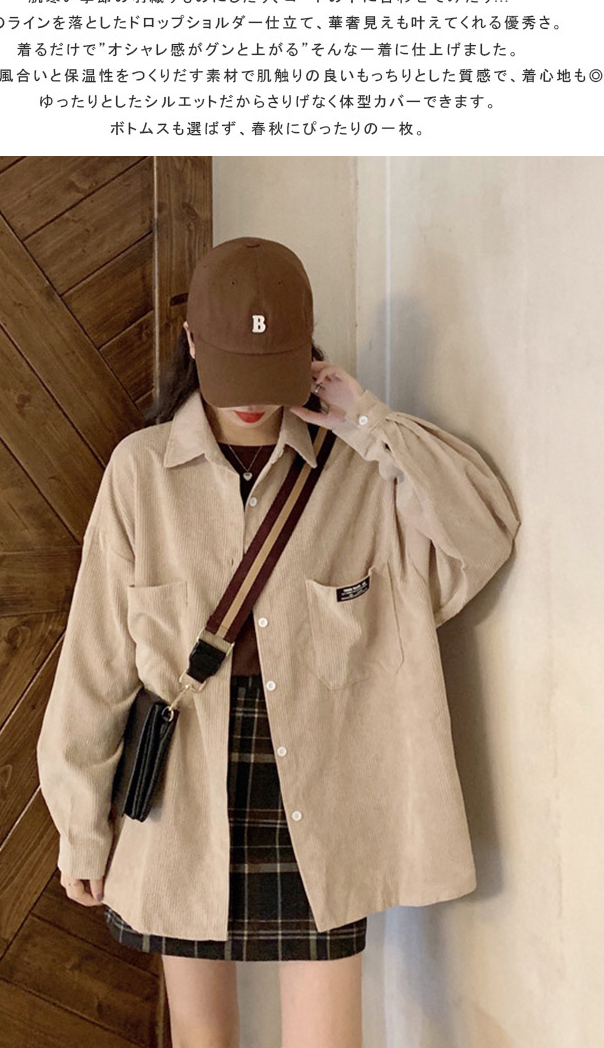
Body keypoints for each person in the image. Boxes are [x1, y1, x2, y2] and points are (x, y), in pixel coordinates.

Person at [37, 236, 520, 1048]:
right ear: (193, 345)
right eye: (236, 372)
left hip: (328, 784)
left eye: (273, 371)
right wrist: (80, 826)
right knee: (202, 1035)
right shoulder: (141, 474)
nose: (255, 403)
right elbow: (96, 666)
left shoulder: (360, 468)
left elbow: (484, 536)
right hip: (182, 785)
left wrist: (371, 422)